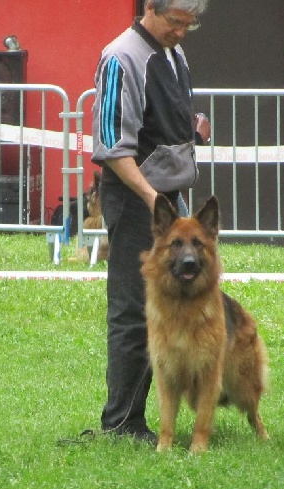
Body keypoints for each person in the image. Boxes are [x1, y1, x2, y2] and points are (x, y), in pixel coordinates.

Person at [91, 0, 210, 443]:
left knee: (166, 310)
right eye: (175, 22)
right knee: (131, 311)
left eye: (189, 25)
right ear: (150, 9)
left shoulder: (174, 53)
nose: (181, 32)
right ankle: (121, 423)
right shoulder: (121, 57)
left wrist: (191, 133)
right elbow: (111, 144)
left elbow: (157, 128)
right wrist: (152, 198)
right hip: (134, 198)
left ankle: (153, 417)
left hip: (165, 200)